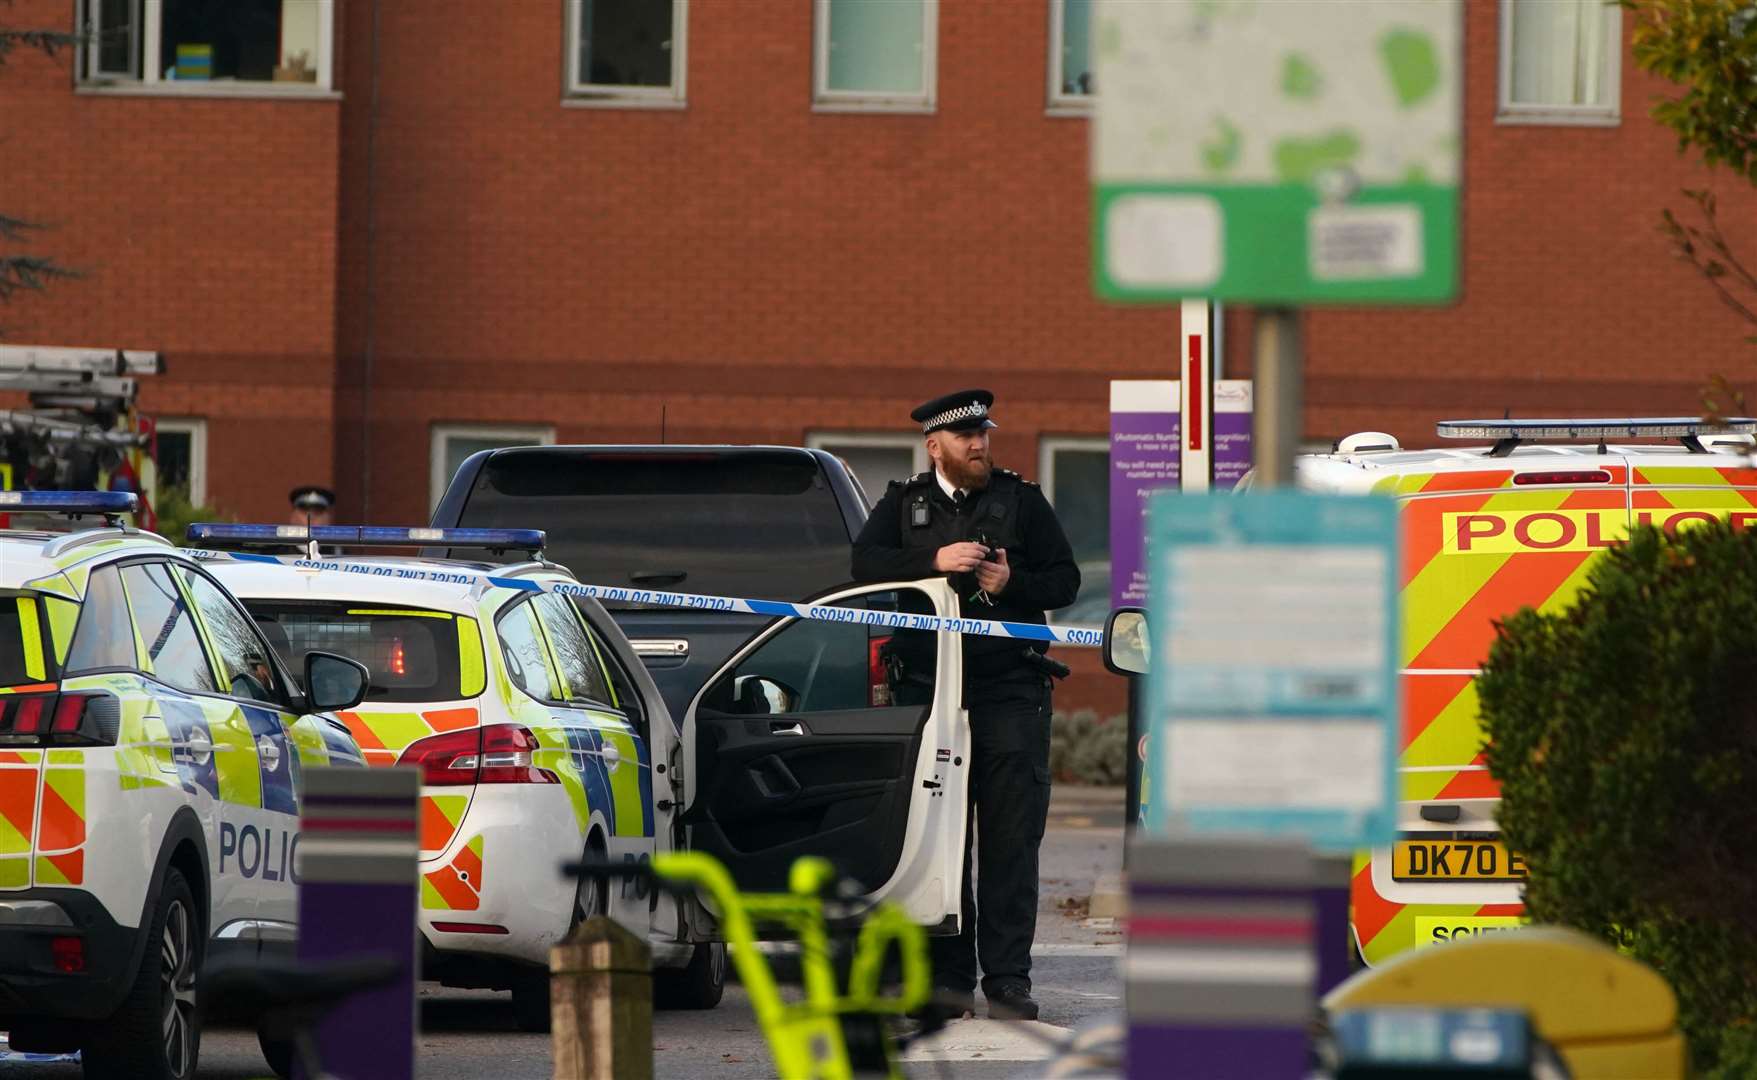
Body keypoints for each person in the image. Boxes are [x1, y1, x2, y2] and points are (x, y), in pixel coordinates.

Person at [850, 389, 1079, 1023]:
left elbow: (1065, 579)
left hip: (1010, 692)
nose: (979, 445)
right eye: (965, 437)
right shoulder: (903, 505)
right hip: (931, 696)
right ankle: (948, 981)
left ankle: (1007, 980)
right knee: (942, 843)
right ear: (935, 446)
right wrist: (932, 560)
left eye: (984, 434)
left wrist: (1013, 585)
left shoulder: (1022, 501)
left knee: (1010, 842)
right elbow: (861, 566)